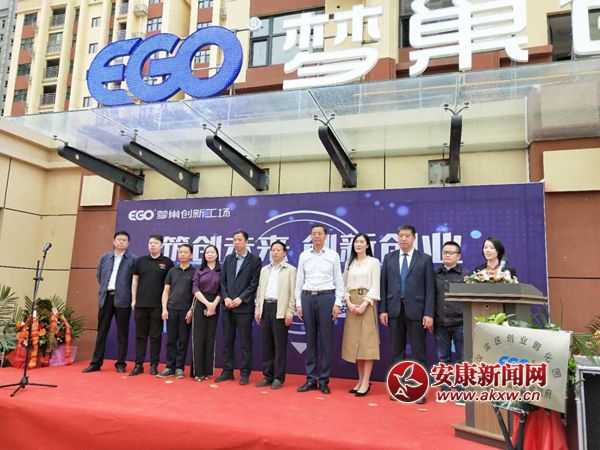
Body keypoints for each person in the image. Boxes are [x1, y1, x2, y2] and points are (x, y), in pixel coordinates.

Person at [380, 224, 435, 404]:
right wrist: (383, 309)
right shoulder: (389, 258)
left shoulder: (424, 259)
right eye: (401, 236)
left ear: (414, 238)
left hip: (417, 311)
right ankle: (398, 389)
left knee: (419, 352)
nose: (403, 239)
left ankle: (419, 390)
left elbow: (430, 289)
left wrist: (429, 313)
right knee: (397, 352)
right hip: (394, 310)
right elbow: (384, 285)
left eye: (407, 236)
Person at [295, 224, 344, 395]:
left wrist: (337, 303)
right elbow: (299, 281)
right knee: (310, 340)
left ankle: (323, 380)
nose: (316, 236)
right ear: (311, 236)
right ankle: (310, 379)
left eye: (319, 234)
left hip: (326, 298)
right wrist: (298, 303)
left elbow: (339, 280)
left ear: (325, 236)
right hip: (307, 297)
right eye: (313, 234)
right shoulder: (304, 255)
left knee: (325, 341)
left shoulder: (333, 255)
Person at [82, 231, 136, 373]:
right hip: (106, 298)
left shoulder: (133, 260)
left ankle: (121, 363)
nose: (121, 242)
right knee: (102, 332)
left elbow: (134, 281)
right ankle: (96, 363)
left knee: (122, 332)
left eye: (124, 240)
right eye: (119, 239)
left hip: (123, 299)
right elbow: (99, 276)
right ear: (113, 241)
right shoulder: (105, 258)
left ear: (128, 243)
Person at [216, 230, 262, 385]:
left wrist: (240, 299)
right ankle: (227, 371)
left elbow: (254, 284)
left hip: (244, 308)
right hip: (228, 306)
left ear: (246, 241)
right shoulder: (229, 259)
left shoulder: (254, 260)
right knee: (227, 341)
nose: (236, 242)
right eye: (234, 240)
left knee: (245, 342)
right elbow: (222, 282)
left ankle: (245, 373)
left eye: (239, 240)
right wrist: (226, 298)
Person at [341, 233, 380, 397]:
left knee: (366, 344)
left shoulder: (373, 262)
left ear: (367, 245)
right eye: (356, 242)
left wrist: (364, 304)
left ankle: (366, 382)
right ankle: (360, 380)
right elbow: (344, 285)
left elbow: (375, 285)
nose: (358, 244)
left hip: (367, 303)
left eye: (362, 242)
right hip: (352, 304)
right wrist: (349, 303)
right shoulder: (349, 263)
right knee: (355, 344)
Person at [254, 241, 297, 390]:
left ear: (284, 253)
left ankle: (278, 377)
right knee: (267, 344)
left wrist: (290, 312)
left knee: (280, 345)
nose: (275, 253)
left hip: (281, 309)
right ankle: (267, 375)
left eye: (278, 250)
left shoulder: (290, 270)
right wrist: (258, 309)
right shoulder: (265, 269)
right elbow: (260, 290)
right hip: (266, 307)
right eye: (273, 250)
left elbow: (293, 293)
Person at [130, 234, 174, 376]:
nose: (152, 245)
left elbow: (169, 286)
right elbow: (135, 280)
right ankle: (138, 365)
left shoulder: (167, 262)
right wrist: (134, 300)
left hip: (157, 306)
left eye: (155, 243)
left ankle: (154, 365)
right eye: (150, 243)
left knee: (155, 336)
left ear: (162, 245)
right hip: (141, 304)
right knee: (140, 336)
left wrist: (165, 305)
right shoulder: (140, 261)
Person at [434, 241, 469, 394]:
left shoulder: (466, 275)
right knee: (443, 357)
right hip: (440, 321)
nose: (447, 255)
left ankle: (461, 387)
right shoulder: (435, 274)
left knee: (462, 357)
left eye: (451, 252)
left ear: (458, 256)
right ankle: (445, 386)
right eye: (444, 252)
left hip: (461, 322)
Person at [157, 244, 195, 379]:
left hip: (186, 311)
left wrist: (191, 310)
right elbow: (166, 291)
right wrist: (164, 308)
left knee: (183, 340)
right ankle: (169, 367)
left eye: (185, 252)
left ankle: (179, 368)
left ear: (191, 255)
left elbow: (196, 294)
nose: (182, 254)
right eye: (180, 252)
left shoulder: (195, 272)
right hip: (171, 309)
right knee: (171, 340)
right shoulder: (172, 271)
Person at [191, 244, 221, 381]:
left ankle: (207, 371)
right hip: (200, 302)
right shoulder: (199, 270)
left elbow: (222, 289)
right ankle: (198, 372)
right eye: (207, 252)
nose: (209, 254)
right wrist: (207, 304)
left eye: (212, 252)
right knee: (198, 337)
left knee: (210, 337)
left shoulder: (221, 271)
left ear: (217, 255)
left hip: (215, 303)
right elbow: (195, 288)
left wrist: (213, 304)